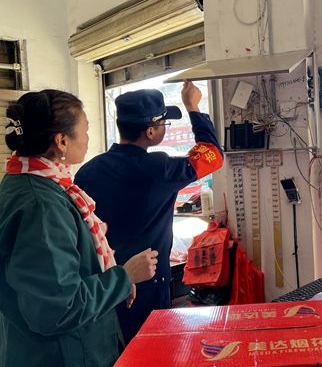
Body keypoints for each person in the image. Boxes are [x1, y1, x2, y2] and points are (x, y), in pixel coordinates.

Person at [0, 90, 159, 366]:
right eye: (85, 130)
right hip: (64, 355)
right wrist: (125, 276)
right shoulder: (42, 206)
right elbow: (57, 308)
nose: (87, 138)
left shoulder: (28, 183)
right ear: (62, 141)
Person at [75, 81, 224, 343]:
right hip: (149, 286)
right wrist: (193, 107)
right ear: (151, 131)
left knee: (114, 352)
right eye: (164, 123)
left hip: (103, 287)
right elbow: (212, 154)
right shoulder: (159, 169)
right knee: (152, 350)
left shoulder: (87, 172)